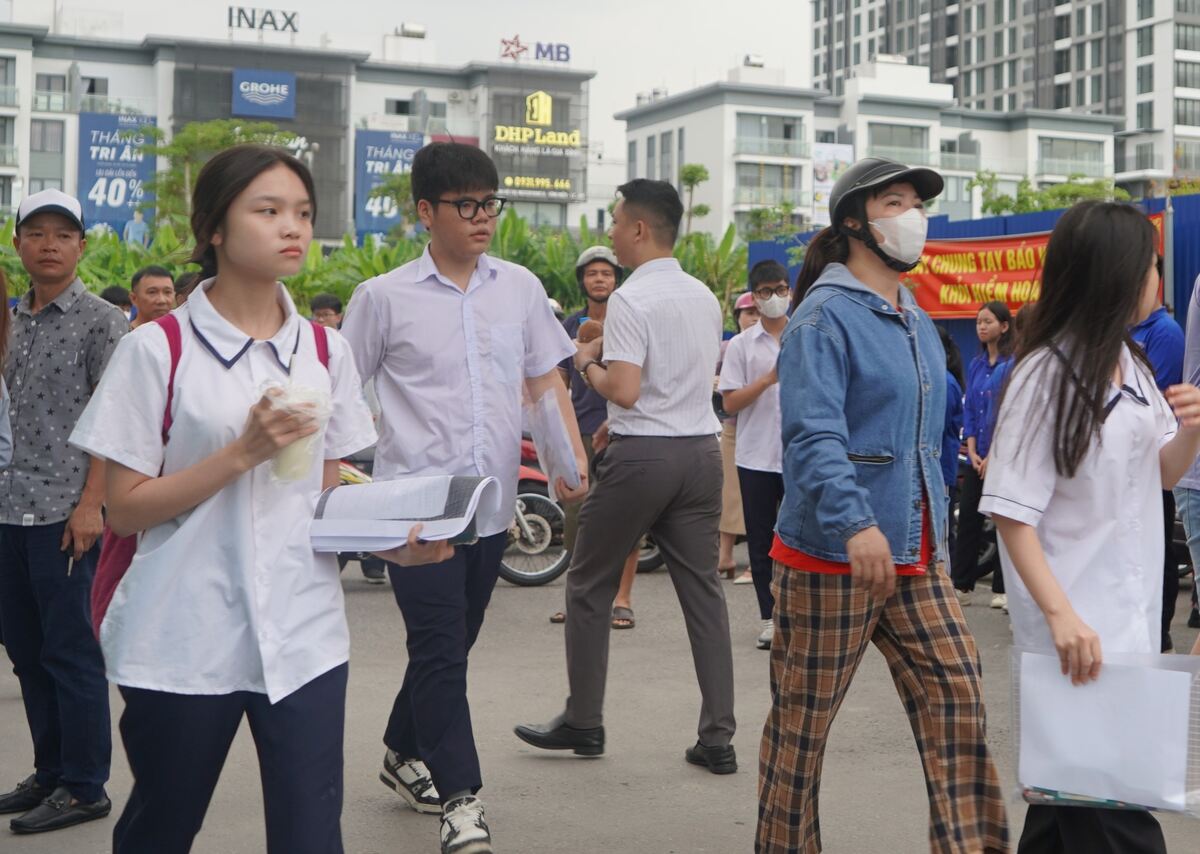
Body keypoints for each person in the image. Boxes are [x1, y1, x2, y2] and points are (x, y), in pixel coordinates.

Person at [68, 144, 389, 853]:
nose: (293, 228)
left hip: (303, 635)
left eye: (303, 213)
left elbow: (328, 494)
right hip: (182, 636)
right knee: (163, 826)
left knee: (311, 838)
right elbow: (124, 508)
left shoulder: (325, 352)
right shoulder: (158, 350)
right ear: (215, 228)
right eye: (268, 210)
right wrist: (241, 454)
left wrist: (396, 538)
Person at [341, 141, 587, 854]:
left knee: (452, 645)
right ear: (427, 211)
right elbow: (340, 396)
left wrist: (568, 461)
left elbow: (544, 381)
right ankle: (462, 800)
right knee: (442, 649)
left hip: (490, 506)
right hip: (413, 512)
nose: (482, 219)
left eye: (490, 204)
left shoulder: (518, 288)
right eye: (466, 206)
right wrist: (350, 496)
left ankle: (400, 750)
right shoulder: (382, 298)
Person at [757, 158, 1008, 853]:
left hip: (916, 551)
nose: (912, 215)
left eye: (917, 203)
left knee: (958, 698)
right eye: (895, 202)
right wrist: (855, 521)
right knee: (801, 734)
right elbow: (811, 437)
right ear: (852, 223)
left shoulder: (917, 318)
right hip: (832, 557)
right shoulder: (824, 317)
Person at [980, 201, 1200, 852]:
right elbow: (1011, 513)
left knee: (1067, 809)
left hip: (1127, 626)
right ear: (1116, 275)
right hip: (1076, 635)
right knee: (1117, 814)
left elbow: (1159, 473)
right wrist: (1061, 616)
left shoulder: (1130, 364)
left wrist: (1190, 432)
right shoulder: (1045, 376)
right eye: (1150, 266)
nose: (1157, 278)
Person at [515, 178, 738, 778]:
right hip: (699, 452)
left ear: (640, 230)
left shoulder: (633, 300)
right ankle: (717, 736)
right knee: (704, 596)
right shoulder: (702, 296)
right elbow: (682, 382)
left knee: (588, 583)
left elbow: (628, 389)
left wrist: (587, 362)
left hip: (643, 457)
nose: (611, 234)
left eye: (616, 223)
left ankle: (584, 721)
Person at [0, 188, 127, 834]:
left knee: (71, 653)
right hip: (7, 511)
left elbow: (114, 422)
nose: (49, 245)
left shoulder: (104, 322)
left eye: (62, 234)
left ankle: (84, 784)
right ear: (18, 243)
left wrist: (91, 505)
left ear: (81, 247)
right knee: (25, 652)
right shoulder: (8, 317)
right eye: (36, 233)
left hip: (65, 514)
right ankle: (50, 771)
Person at [550, 245, 641, 630]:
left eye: (606, 273)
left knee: (627, 516)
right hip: (581, 429)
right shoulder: (568, 326)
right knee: (577, 517)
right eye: (592, 274)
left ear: (616, 279)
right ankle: (581, 597)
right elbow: (559, 380)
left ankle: (622, 598)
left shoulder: (631, 319)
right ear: (583, 281)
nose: (599, 279)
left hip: (625, 428)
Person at [719, 260, 788, 649]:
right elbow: (730, 401)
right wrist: (765, 380)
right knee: (761, 543)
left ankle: (800, 615)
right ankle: (770, 617)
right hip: (756, 457)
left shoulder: (806, 335)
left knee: (798, 541)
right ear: (754, 297)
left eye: (779, 289)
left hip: (799, 456)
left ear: (790, 290)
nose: (774, 298)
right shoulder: (741, 346)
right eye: (765, 292)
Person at [1129, 256, 1187, 652]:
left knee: (1159, 548)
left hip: (1154, 458)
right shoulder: (1126, 333)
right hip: (1134, 467)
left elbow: (1160, 398)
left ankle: (1161, 630)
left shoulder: (1163, 331)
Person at [953, 301, 1014, 608]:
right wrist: (974, 451)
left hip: (1002, 456)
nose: (981, 326)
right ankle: (962, 583)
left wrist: (993, 456)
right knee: (968, 519)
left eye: (987, 321)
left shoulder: (1011, 364)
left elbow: (1006, 413)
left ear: (1004, 326)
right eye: (978, 322)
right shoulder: (977, 364)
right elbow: (971, 412)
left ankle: (1002, 589)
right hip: (977, 456)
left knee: (1004, 520)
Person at [718, 293, 757, 580]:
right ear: (737, 317)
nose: (754, 316)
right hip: (732, 427)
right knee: (729, 494)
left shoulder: (780, 342)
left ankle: (758, 562)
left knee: (763, 498)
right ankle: (724, 557)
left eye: (757, 311)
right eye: (747, 312)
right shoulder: (726, 348)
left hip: (767, 430)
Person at [938, 326, 966, 567]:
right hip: (938, 468)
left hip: (941, 470)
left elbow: (937, 425)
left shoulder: (945, 382)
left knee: (943, 535)